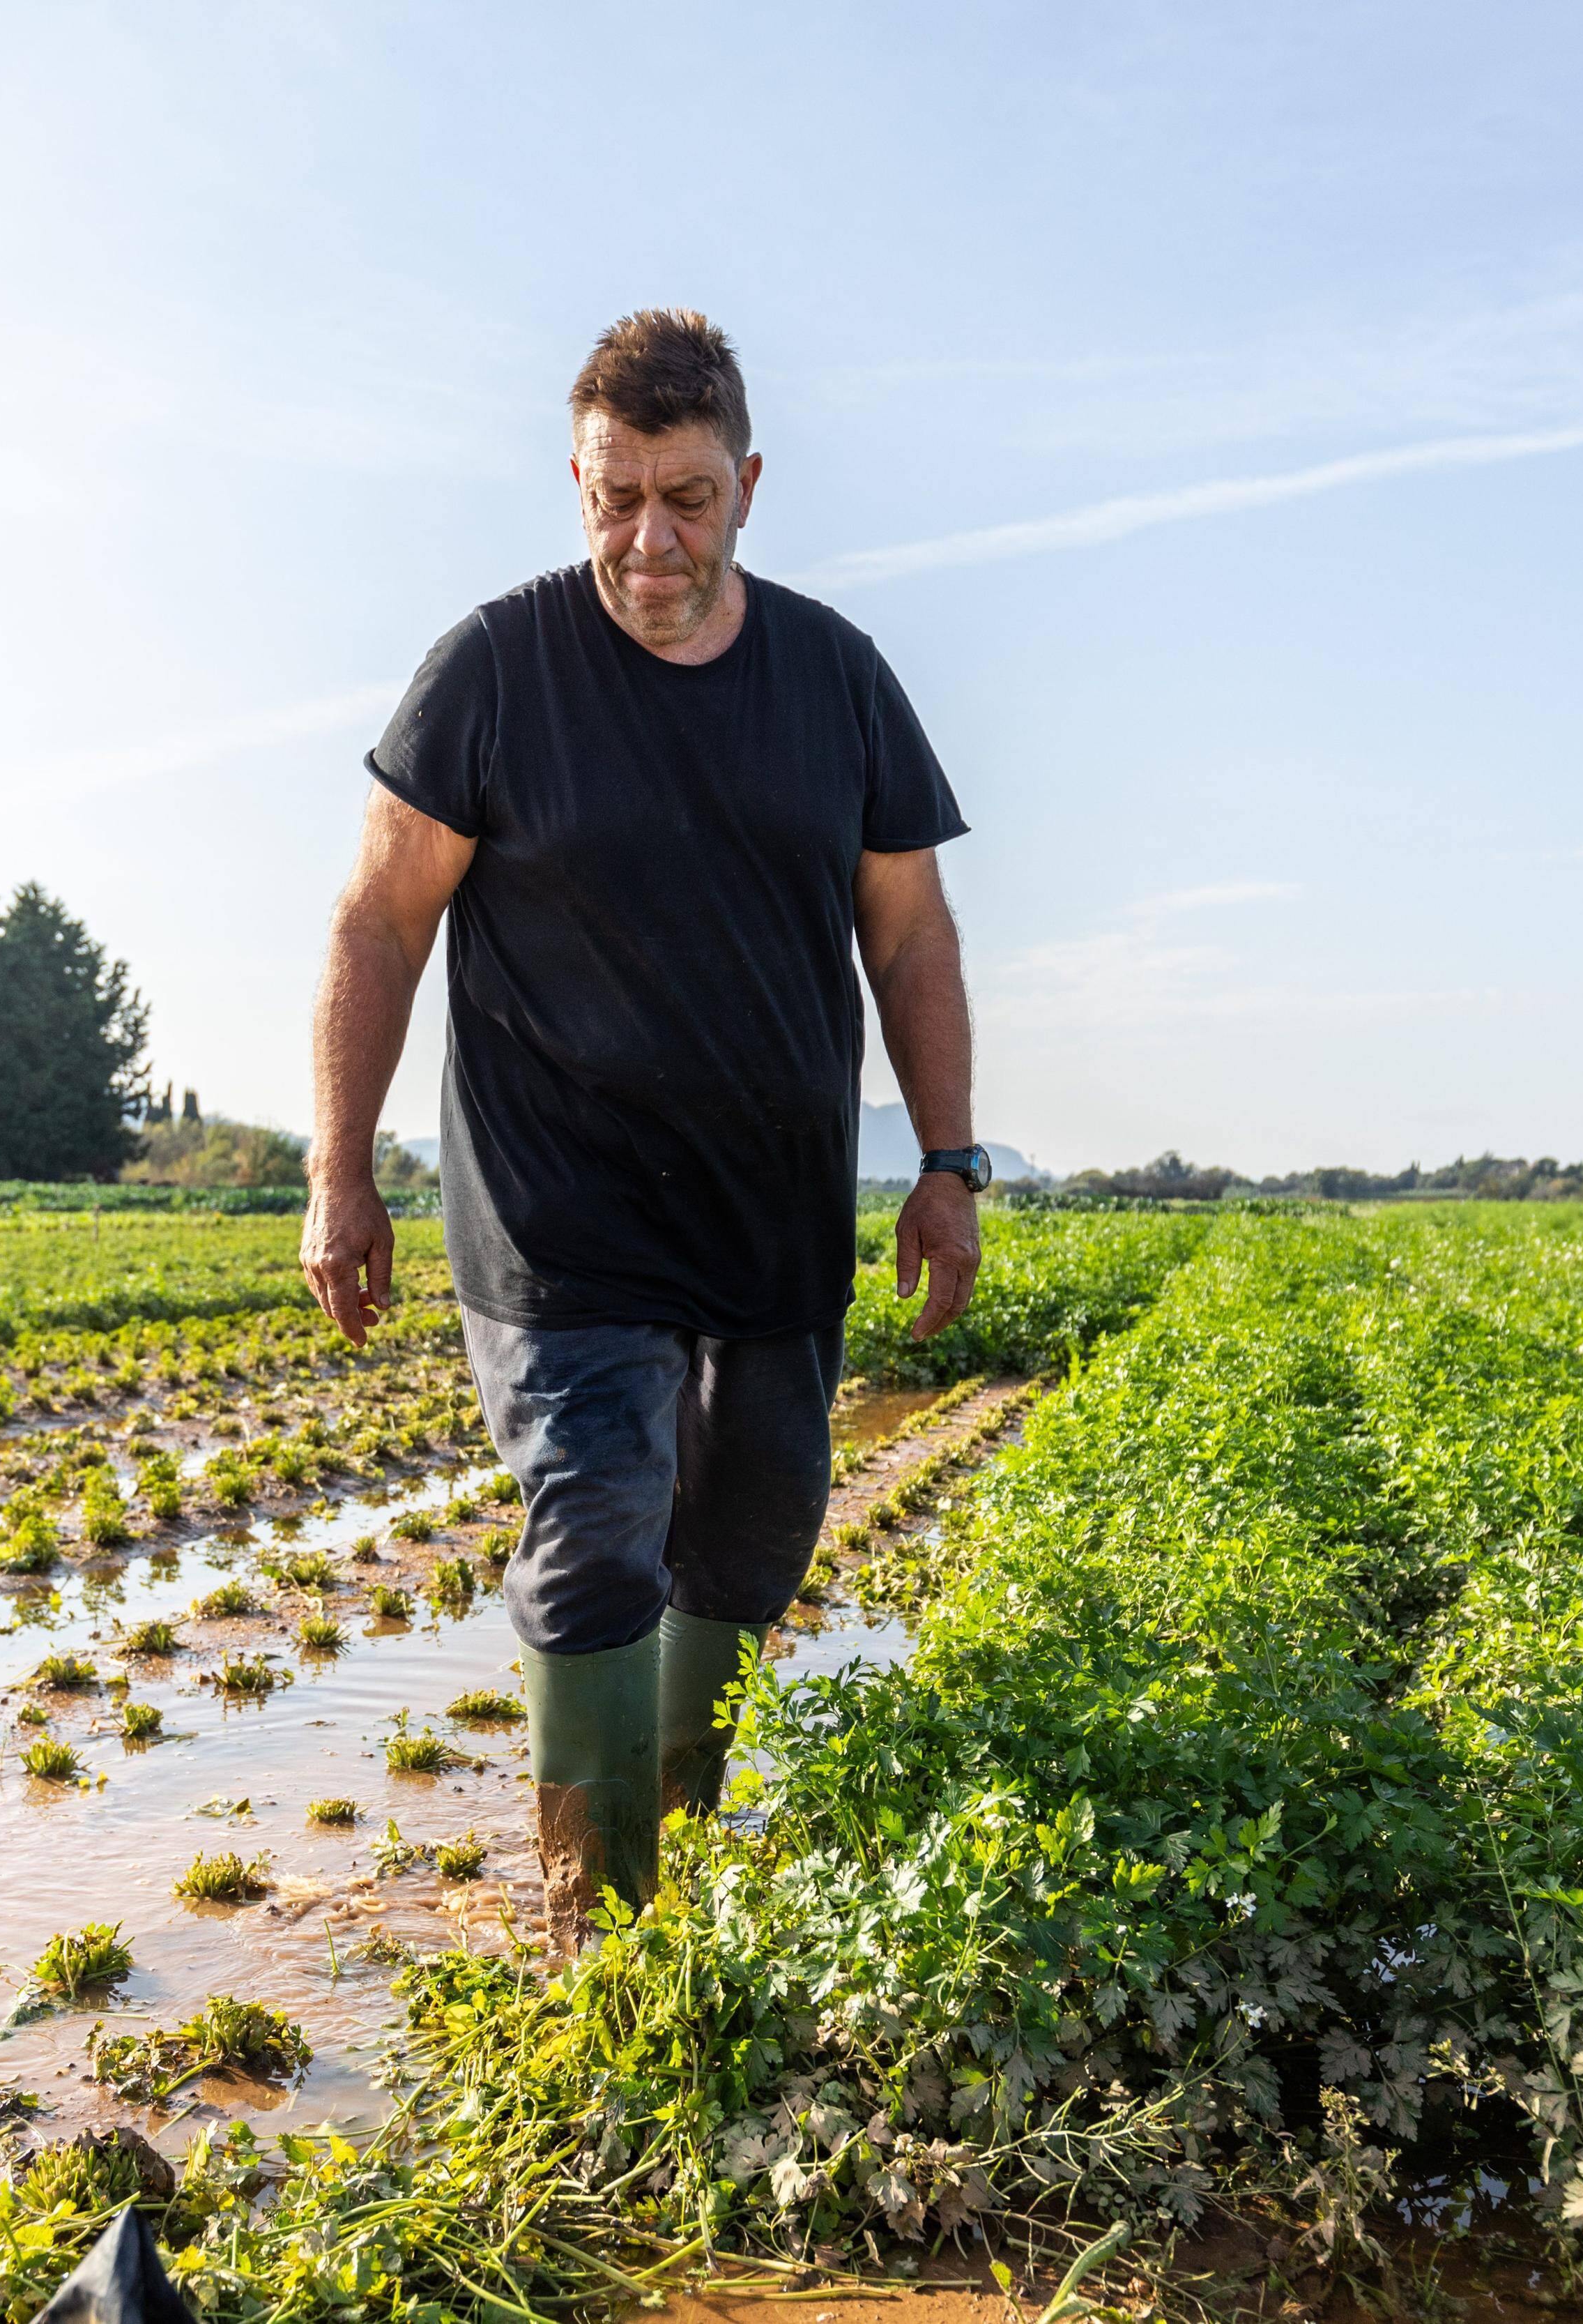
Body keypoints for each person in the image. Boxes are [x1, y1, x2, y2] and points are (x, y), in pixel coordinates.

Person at [300, 307, 986, 1942]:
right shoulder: (497, 669)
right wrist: (339, 1167)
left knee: (750, 1536)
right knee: (599, 1519)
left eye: (684, 497)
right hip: (561, 1201)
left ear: (747, 483)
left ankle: (669, 1843)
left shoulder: (836, 678)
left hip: (769, 1202)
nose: (647, 539)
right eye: (614, 498)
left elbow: (911, 933)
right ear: (575, 480)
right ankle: (588, 1932)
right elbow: (379, 920)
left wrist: (950, 1164)